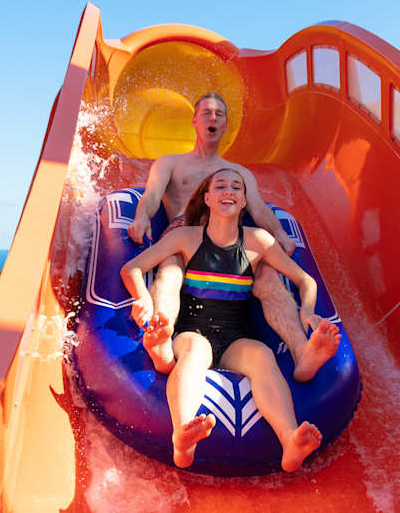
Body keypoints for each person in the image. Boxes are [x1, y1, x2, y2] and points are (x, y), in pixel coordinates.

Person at [126, 92, 339, 380]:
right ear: (194, 121)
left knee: (267, 278)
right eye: (206, 113)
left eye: (219, 114)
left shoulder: (238, 173)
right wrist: (141, 217)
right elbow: (151, 195)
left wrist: (279, 234)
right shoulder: (171, 163)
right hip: (184, 233)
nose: (213, 118)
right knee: (172, 270)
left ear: (226, 125)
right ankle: (161, 335)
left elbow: (260, 209)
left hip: (232, 242)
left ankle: (303, 352)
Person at [122, 169, 324, 471]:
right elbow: (133, 268)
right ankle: (182, 437)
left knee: (262, 355)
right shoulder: (186, 238)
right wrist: (143, 298)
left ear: (244, 201)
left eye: (236, 187)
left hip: (235, 337)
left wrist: (307, 310)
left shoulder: (258, 241)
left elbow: (306, 280)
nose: (228, 190)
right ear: (207, 198)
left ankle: (289, 440)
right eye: (220, 186)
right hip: (192, 331)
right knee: (195, 353)